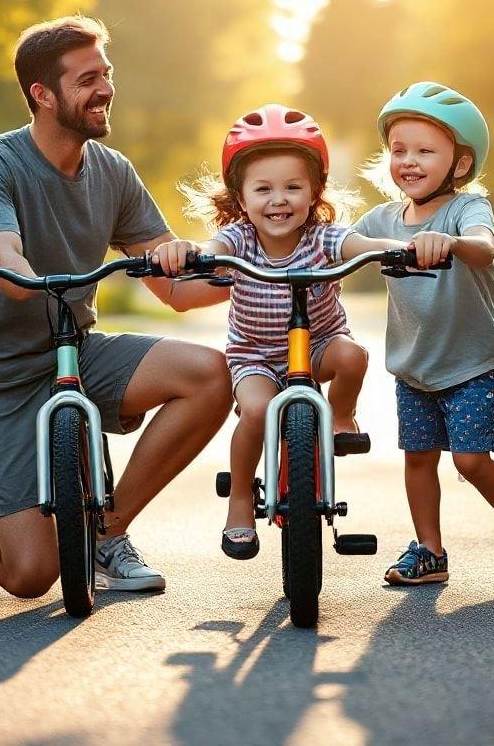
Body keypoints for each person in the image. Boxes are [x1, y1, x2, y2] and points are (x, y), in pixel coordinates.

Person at [0, 15, 231, 599]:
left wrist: (254, 274)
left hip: (75, 350)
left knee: (210, 374)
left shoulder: (113, 172)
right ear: (42, 94)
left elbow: (176, 289)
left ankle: (108, 534)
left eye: (106, 74)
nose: (106, 89)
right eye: (88, 79)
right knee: (31, 576)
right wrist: (9, 273)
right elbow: (6, 262)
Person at [161, 104, 401, 560]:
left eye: (293, 187)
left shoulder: (323, 237)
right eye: (263, 188)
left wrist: (407, 249)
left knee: (355, 357)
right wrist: (186, 253)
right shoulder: (237, 240)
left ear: (314, 191)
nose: (279, 200)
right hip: (256, 357)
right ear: (241, 196)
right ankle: (239, 503)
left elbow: (364, 246)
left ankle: (341, 417)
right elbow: (209, 248)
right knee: (254, 413)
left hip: (319, 346)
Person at [352, 81, 494, 587]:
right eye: (399, 150)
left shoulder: (467, 209)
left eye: (425, 150)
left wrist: (447, 242)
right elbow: (342, 242)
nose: (409, 160)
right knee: (419, 460)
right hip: (415, 367)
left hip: (474, 364)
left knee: (470, 460)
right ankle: (429, 551)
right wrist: (362, 245)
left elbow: (483, 247)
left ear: (460, 164)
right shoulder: (383, 218)